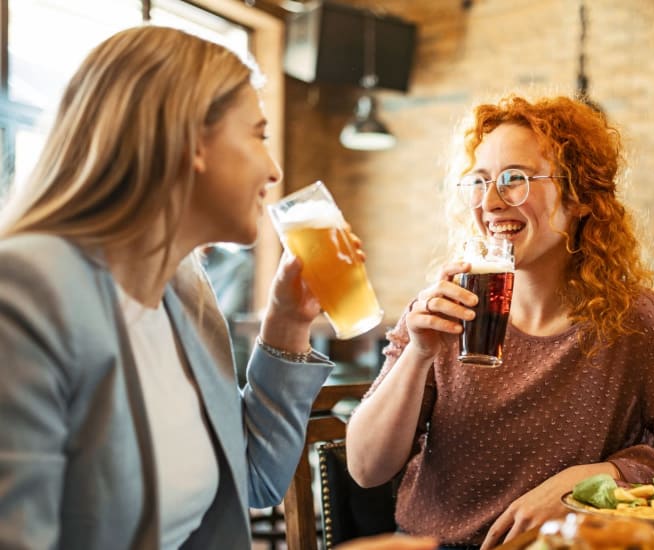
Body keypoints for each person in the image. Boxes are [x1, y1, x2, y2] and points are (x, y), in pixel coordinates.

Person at [0, 25, 436, 550]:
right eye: (257, 133)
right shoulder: (24, 293)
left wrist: (287, 325)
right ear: (189, 140)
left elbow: (257, 477)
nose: (273, 170)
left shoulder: (184, 288)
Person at [345, 94, 654, 549]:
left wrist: (588, 484)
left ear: (581, 195)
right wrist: (417, 354)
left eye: (514, 179)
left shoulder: (639, 321)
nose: (490, 202)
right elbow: (366, 468)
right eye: (479, 181)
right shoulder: (443, 309)